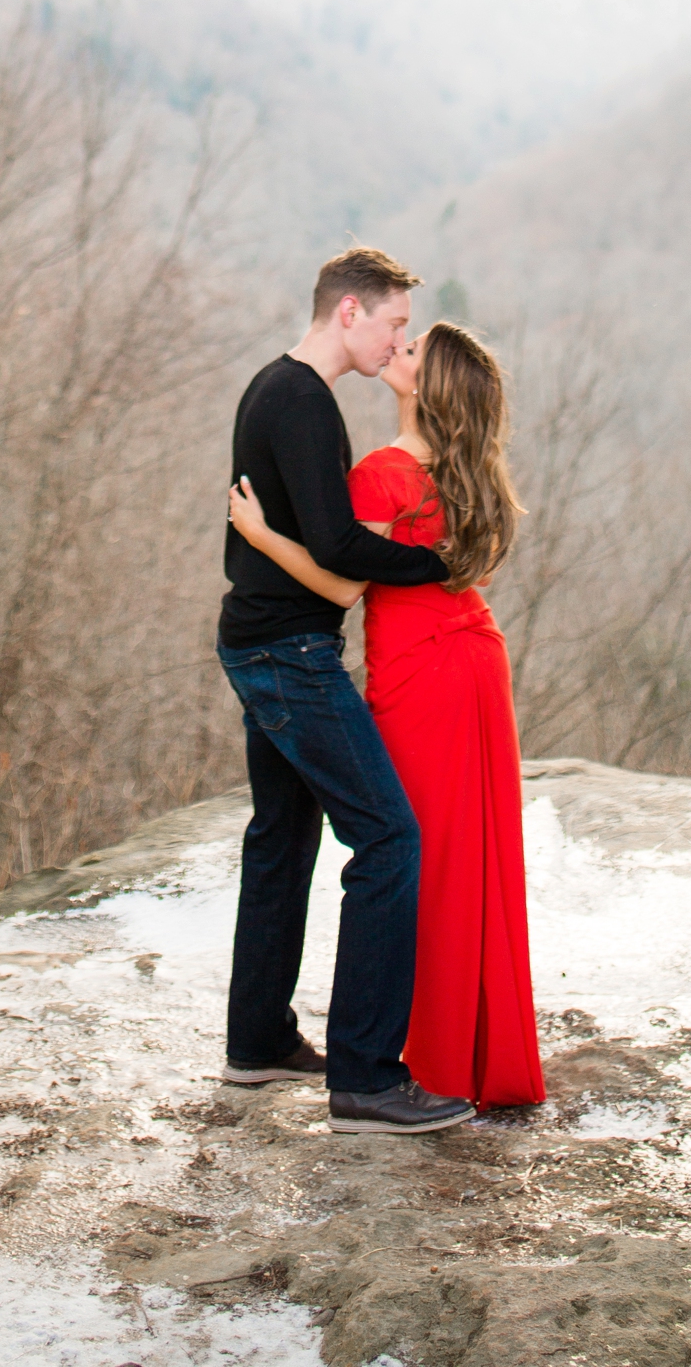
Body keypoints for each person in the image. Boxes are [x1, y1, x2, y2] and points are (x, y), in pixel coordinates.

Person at [230, 317, 544, 1111]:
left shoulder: (383, 471)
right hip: (477, 655)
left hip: (422, 675)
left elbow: (341, 587)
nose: (396, 352)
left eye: (411, 352)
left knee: (408, 850)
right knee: (472, 854)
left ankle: (398, 1060)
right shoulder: (466, 467)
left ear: (423, 387)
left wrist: (262, 535)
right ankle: (470, 1046)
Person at [217, 246, 475, 1136]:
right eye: (396, 323)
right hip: (288, 654)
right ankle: (367, 1076)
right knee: (389, 837)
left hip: (263, 642)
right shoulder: (301, 400)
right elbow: (334, 544)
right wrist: (436, 563)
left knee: (282, 841)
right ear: (351, 312)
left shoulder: (277, 389)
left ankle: (256, 1042)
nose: (400, 340)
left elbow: (309, 539)